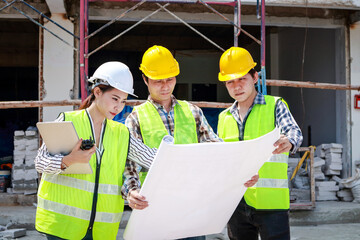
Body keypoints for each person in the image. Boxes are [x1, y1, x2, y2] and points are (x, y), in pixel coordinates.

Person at [123, 45, 258, 240]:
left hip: (192, 210)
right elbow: (129, 167)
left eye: (169, 79)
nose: (165, 86)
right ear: (145, 79)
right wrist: (131, 192)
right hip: (154, 211)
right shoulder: (135, 118)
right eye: (158, 81)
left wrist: (241, 171)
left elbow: (217, 150)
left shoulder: (192, 112)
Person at [34, 62, 157, 240]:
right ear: (97, 92)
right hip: (63, 227)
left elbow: (151, 158)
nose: (119, 107)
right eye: (115, 99)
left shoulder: (121, 133)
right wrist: (69, 160)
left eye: (123, 101)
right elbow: (40, 161)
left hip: (101, 230)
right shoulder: (68, 121)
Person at [217, 47, 303, 240]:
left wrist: (288, 141)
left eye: (242, 79)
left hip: (271, 204)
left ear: (255, 77)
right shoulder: (224, 117)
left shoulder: (275, 105)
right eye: (230, 81)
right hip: (236, 203)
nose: (237, 86)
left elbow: (294, 132)